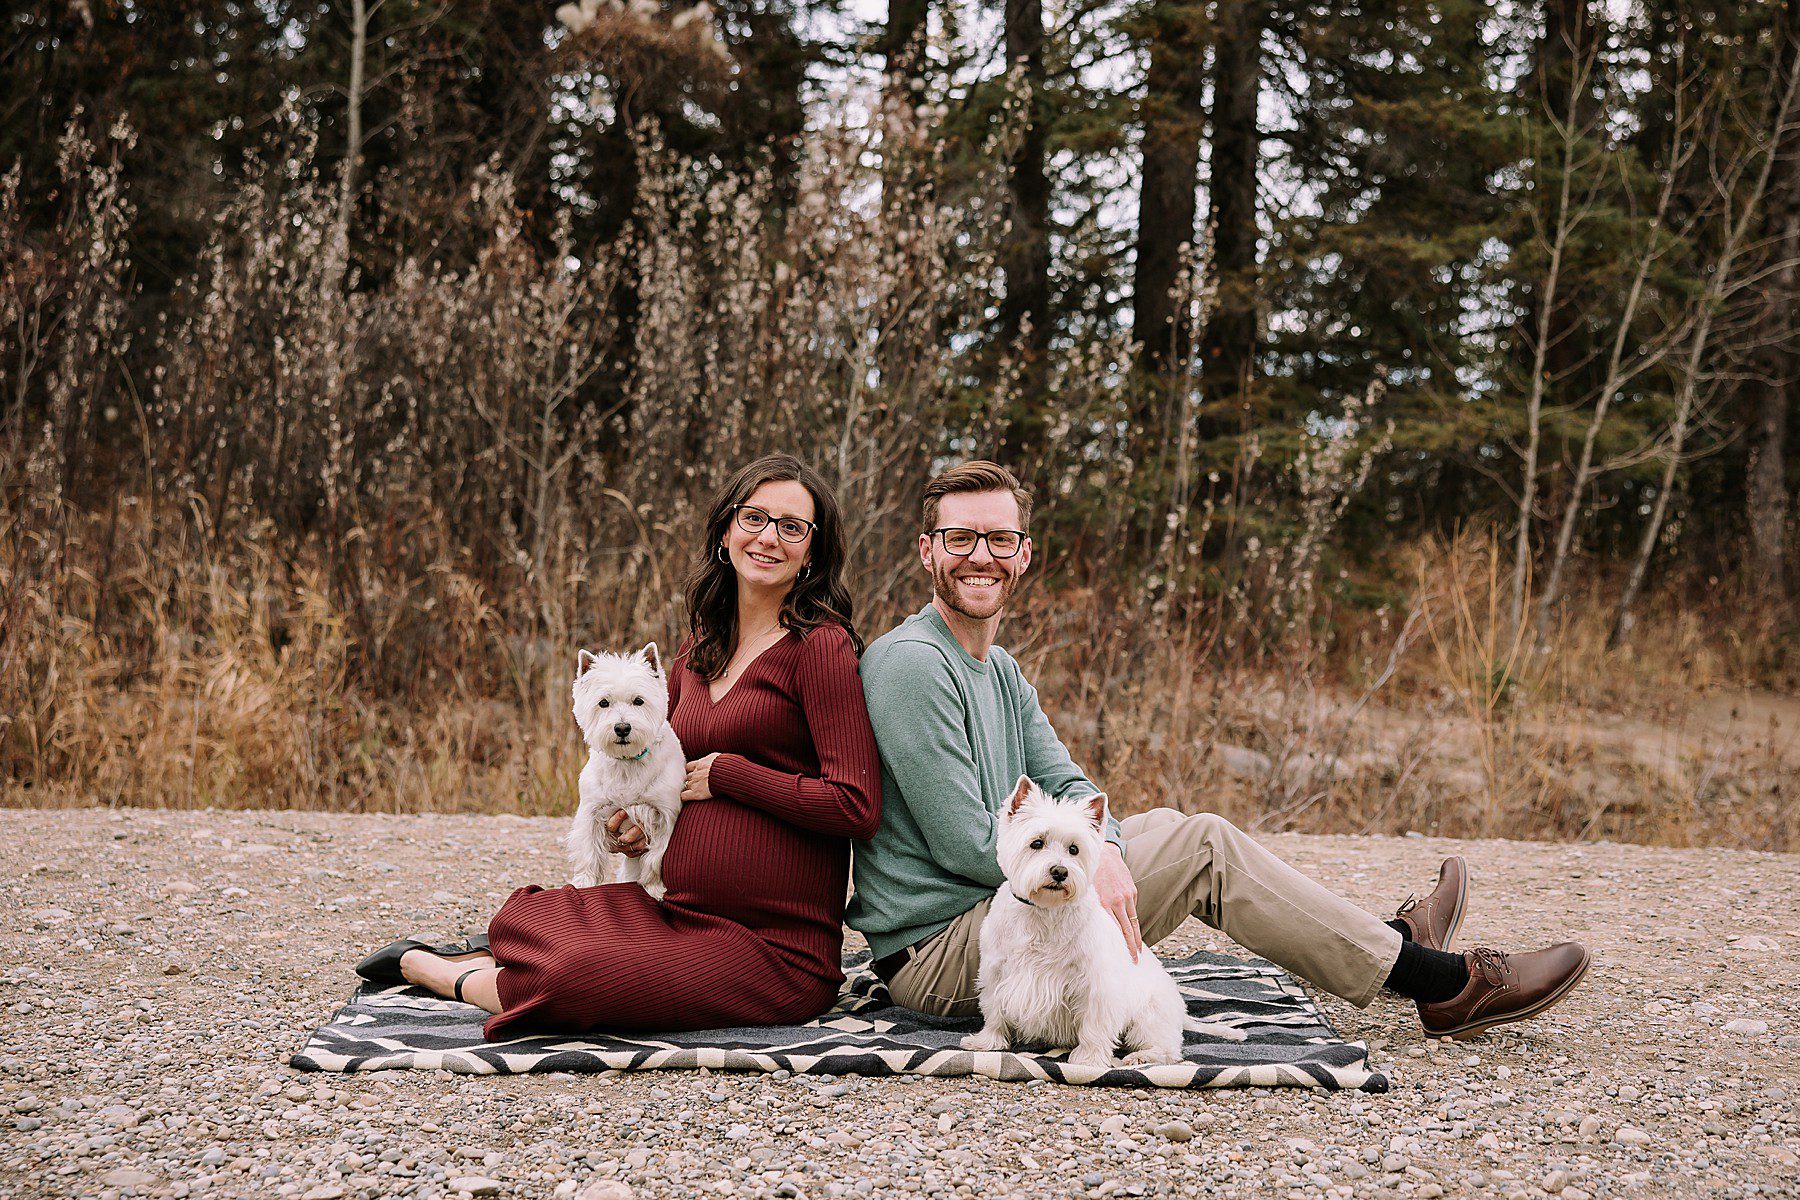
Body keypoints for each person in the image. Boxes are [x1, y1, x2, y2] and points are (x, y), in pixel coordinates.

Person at [846, 460, 1590, 1041]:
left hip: (1002, 909)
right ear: (928, 551)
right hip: (947, 954)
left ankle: (1388, 941)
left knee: (1165, 823)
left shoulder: (999, 669)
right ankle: (1439, 980)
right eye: (960, 539)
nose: (982, 556)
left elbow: (1069, 783)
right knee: (1200, 846)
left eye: (999, 539)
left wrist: (1103, 846)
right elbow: (964, 845)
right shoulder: (913, 662)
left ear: (1025, 554)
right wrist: (1101, 857)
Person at [359, 454, 881, 1038]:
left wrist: (731, 775)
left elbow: (855, 805)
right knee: (518, 916)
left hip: (773, 949)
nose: (768, 537)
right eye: (754, 517)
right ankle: (522, 957)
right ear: (726, 531)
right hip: (675, 910)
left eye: (792, 527)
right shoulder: (700, 647)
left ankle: (443, 974)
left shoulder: (821, 648)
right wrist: (634, 822)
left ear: (812, 551)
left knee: (576, 977)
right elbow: (660, 764)